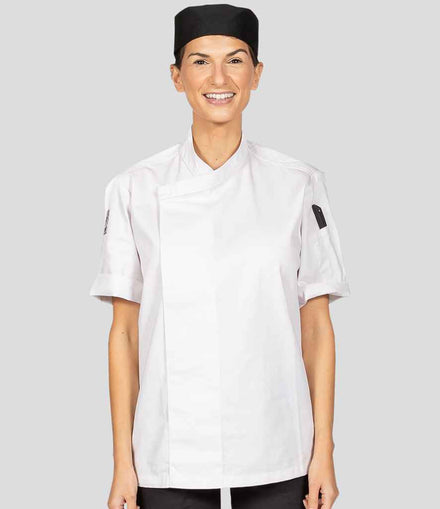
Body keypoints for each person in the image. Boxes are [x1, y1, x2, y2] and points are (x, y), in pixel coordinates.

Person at [89, 4, 350, 509]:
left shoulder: (297, 184)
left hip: (278, 444)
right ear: (176, 77)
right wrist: (123, 461)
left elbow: (317, 328)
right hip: (170, 448)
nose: (218, 78)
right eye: (200, 61)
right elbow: (124, 334)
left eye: (235, 60)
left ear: (257, 74)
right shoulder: (134, 189)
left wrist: (324, 452)